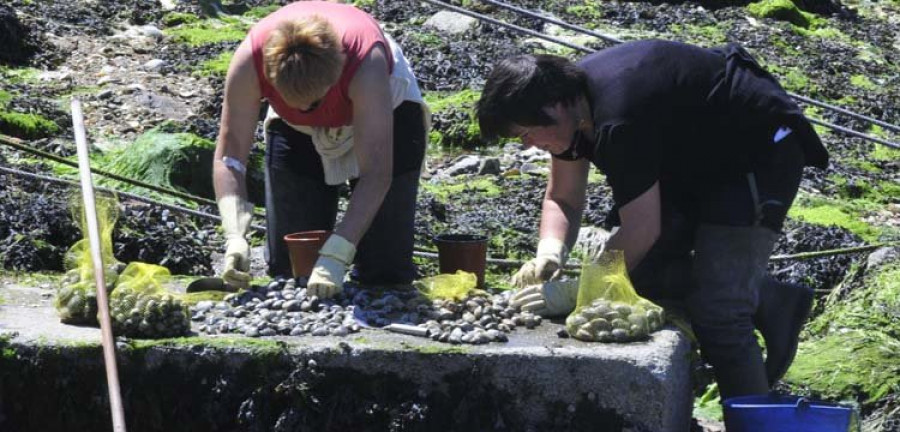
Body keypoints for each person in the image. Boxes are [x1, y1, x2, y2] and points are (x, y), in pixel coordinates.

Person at [476, 39, 828, 401]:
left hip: (756, 150)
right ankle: (768, 297)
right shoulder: (572, 112)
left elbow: (642, 229)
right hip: (687, 155)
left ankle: (754, 418)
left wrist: (579, 290)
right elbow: (563, 197)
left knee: (720, 311)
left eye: (526, 134)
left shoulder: (617, 117)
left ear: (553, 107)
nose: (528, 146)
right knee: (637, 277)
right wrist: (549, 252)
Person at [213, 1, 428, 298]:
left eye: (311, 103)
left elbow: (377, 173)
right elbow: (230, 155)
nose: (304, 108)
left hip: (386, 109)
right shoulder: (249, 62)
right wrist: (235, 233)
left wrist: (339, 251)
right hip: (295, 129)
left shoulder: (367, 64)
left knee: (385, 272)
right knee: (291, 266)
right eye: (293, 101)